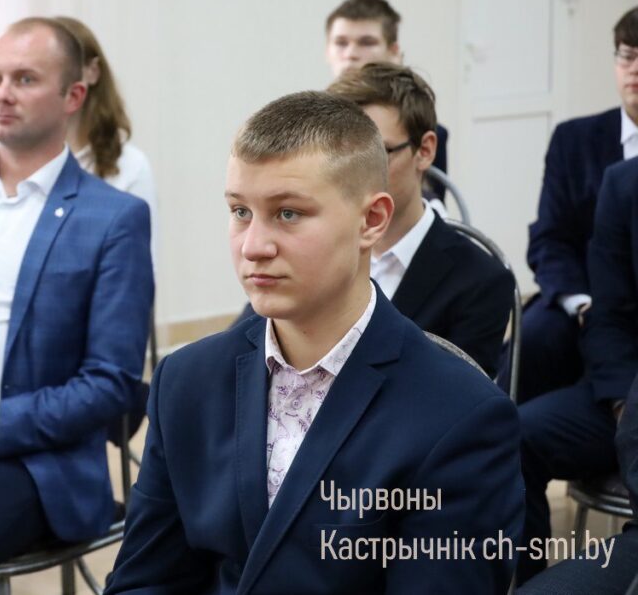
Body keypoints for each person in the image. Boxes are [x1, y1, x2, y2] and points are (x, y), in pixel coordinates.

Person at [105, 91, 523, 595]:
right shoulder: (186, 381)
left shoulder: (459, 417)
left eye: (288, 214)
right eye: (240, 211)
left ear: (371, 220)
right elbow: (144, 581)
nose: (253, 247)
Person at [0, 17, 154, 594]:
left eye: (24, 79)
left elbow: (110, 384)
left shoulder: (112, 218)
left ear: (73, 96)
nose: (2, 93)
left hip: (28, 459)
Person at [328, 62, 514, 374]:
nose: (352, 176)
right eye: (339, 157)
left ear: (425, 151)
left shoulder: (481, 280)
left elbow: (455, 399)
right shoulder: (313, 249)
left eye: (378, 153)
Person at [505, 6, 638, 405]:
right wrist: (581, 302)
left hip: (629, 305)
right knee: (533, 339)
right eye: (627, 56)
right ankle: (497, 432)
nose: (634, 69)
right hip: (584, 295)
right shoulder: (574, 139)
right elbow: (550, 237)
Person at [517, 152, 638, 584]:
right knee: (516, 434)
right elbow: (609, 315)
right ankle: (523, 576)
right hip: (623, 392)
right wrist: (623, 404)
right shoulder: (623, 183)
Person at [53, 15, 158, 262]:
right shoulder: (25, 163)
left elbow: (141, 264)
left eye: (61, 67)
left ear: (92, 71)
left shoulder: (130, 166)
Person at [324, 0, 450, 193]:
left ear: (393, 52)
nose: (350, 54)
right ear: (327, 51)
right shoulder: (310, 126)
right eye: (341, 43)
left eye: (367, 42)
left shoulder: (424, 133)